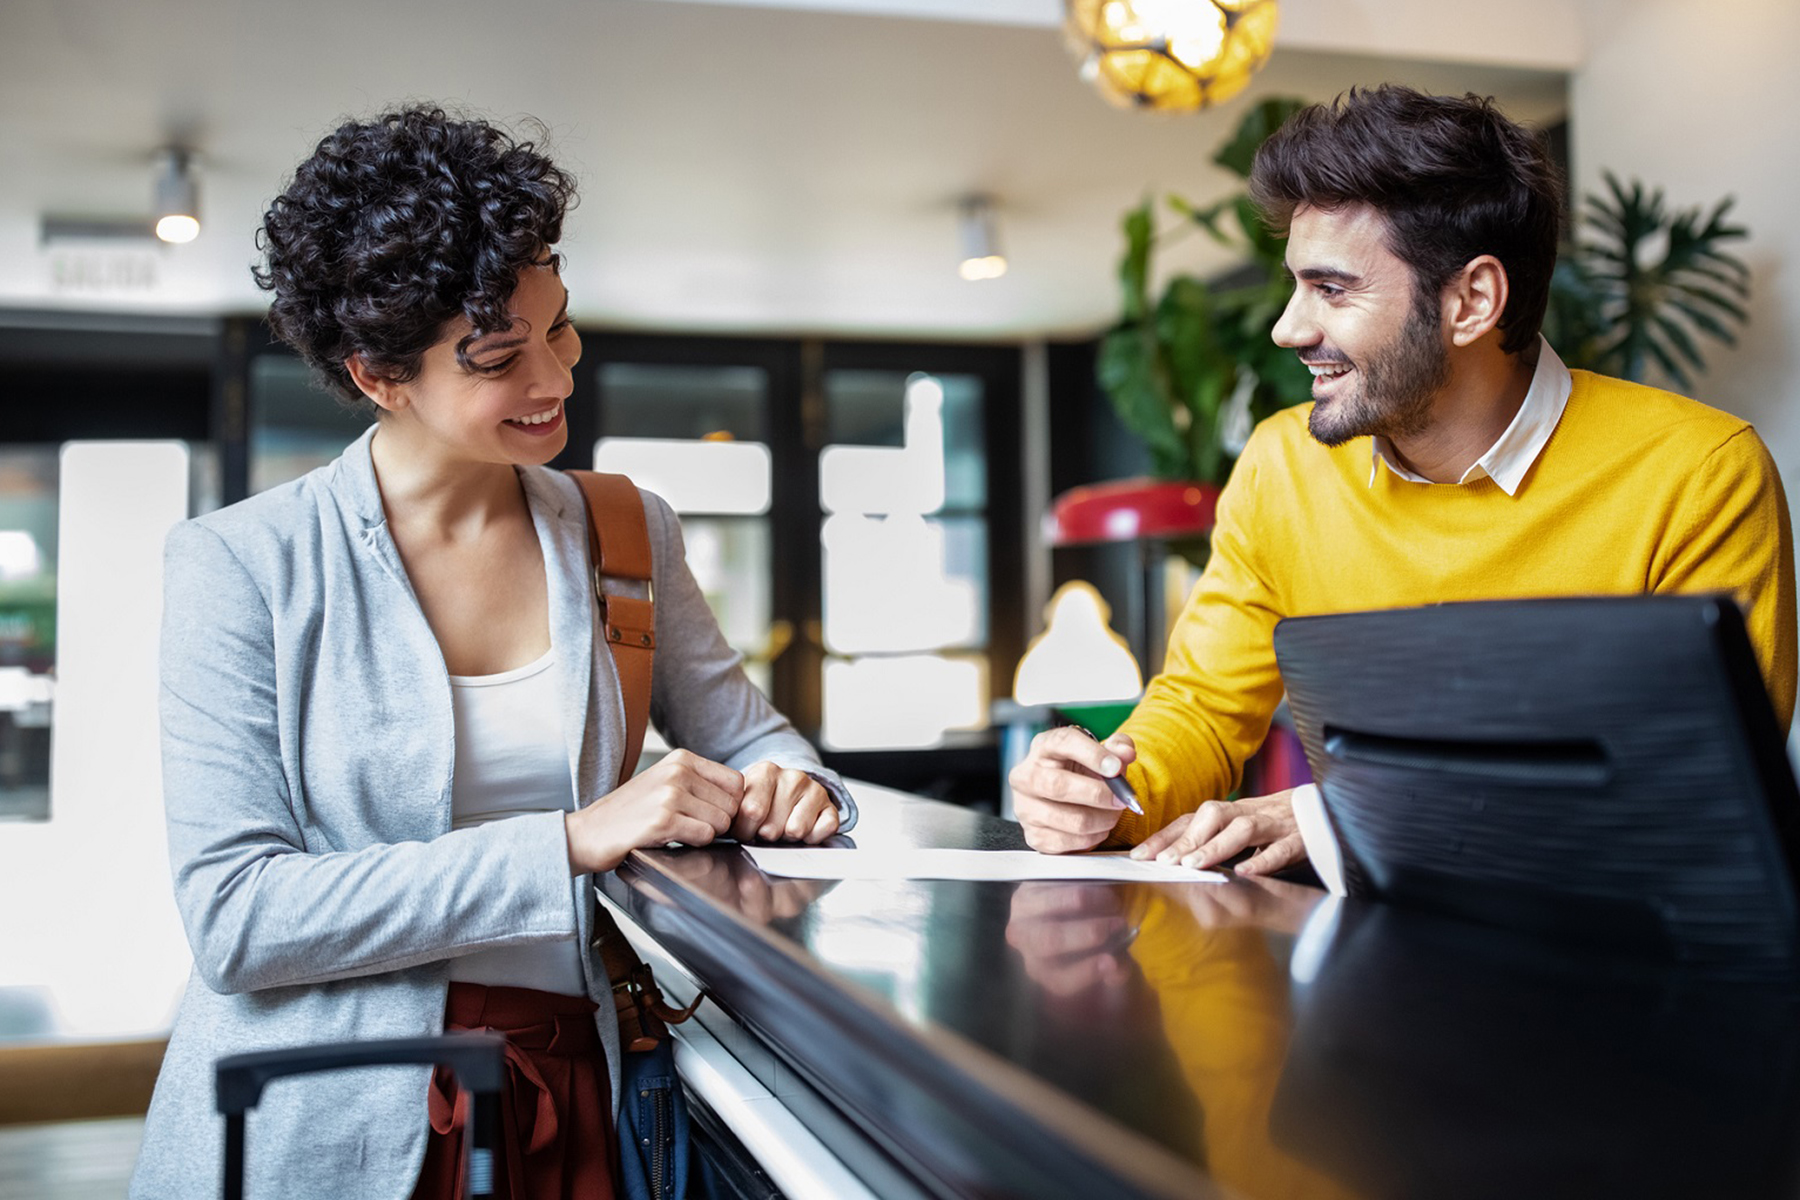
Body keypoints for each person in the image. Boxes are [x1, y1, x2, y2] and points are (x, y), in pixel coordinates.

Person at [130, 105, 855, 1200]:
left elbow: (755, 734)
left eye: (559, 329)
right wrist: (565, 840)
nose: (556, 379)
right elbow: (239, 916)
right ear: (381, 375)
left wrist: (794, 789)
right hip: (327, 1112)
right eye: (500, 358)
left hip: (576, 1080)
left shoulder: (624, 529)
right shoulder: (240, 566)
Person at [1010, 85, 1796, 875]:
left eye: (1332, 288)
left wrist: (1349, 815)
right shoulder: (1283, 466)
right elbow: (1205, 709)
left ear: (1472, 301)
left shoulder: (1699, 473)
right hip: (1370, 957)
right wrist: (1104, 791)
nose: (1289, 327)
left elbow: (1699, 794)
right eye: (1295, 284)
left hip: (1624, 969)